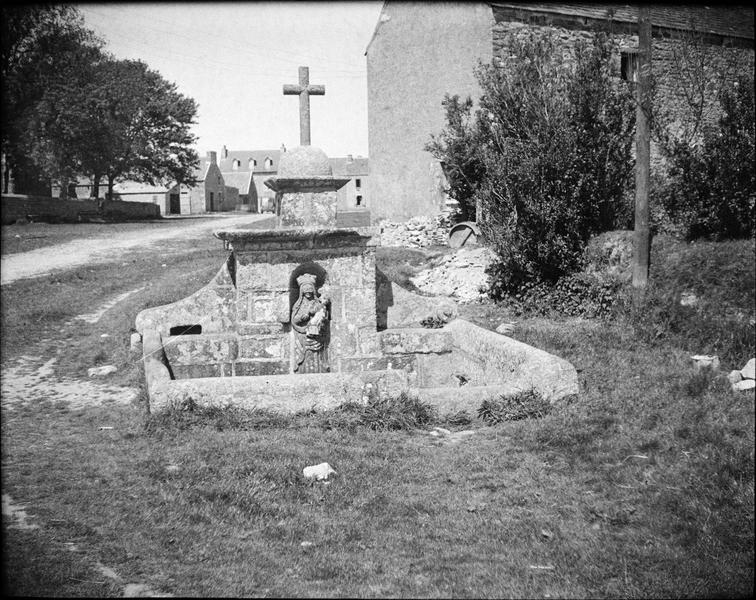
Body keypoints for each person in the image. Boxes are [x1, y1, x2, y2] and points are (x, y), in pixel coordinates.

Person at [291, 273, 330, 373]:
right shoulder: (298, 305)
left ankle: (319, 371)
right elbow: (294, 320)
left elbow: (324, 316)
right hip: (302, 335)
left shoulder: (317, 303)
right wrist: (303, 317)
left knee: (317, 355)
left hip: (317, 335)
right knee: (306, 354)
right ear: (301, 292)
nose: (308, 294)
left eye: (310, 291)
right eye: (305, 292)